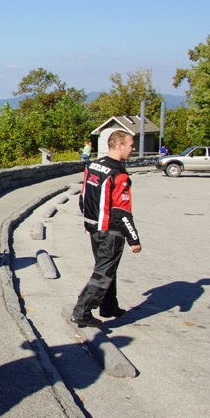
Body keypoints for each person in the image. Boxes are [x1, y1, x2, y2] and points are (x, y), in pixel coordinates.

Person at [71, 130, 142, 328]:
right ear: (119, 146)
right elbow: (121, 211)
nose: (133, 148)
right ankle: (81, 312)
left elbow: (82, 197)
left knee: (108, 268)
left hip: (94, 227)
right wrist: (133, 239)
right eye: (131, 144)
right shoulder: (119, 174)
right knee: (103, 273)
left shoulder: (94, 165)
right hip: (110, 230)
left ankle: (109, 306)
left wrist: (89, 221)